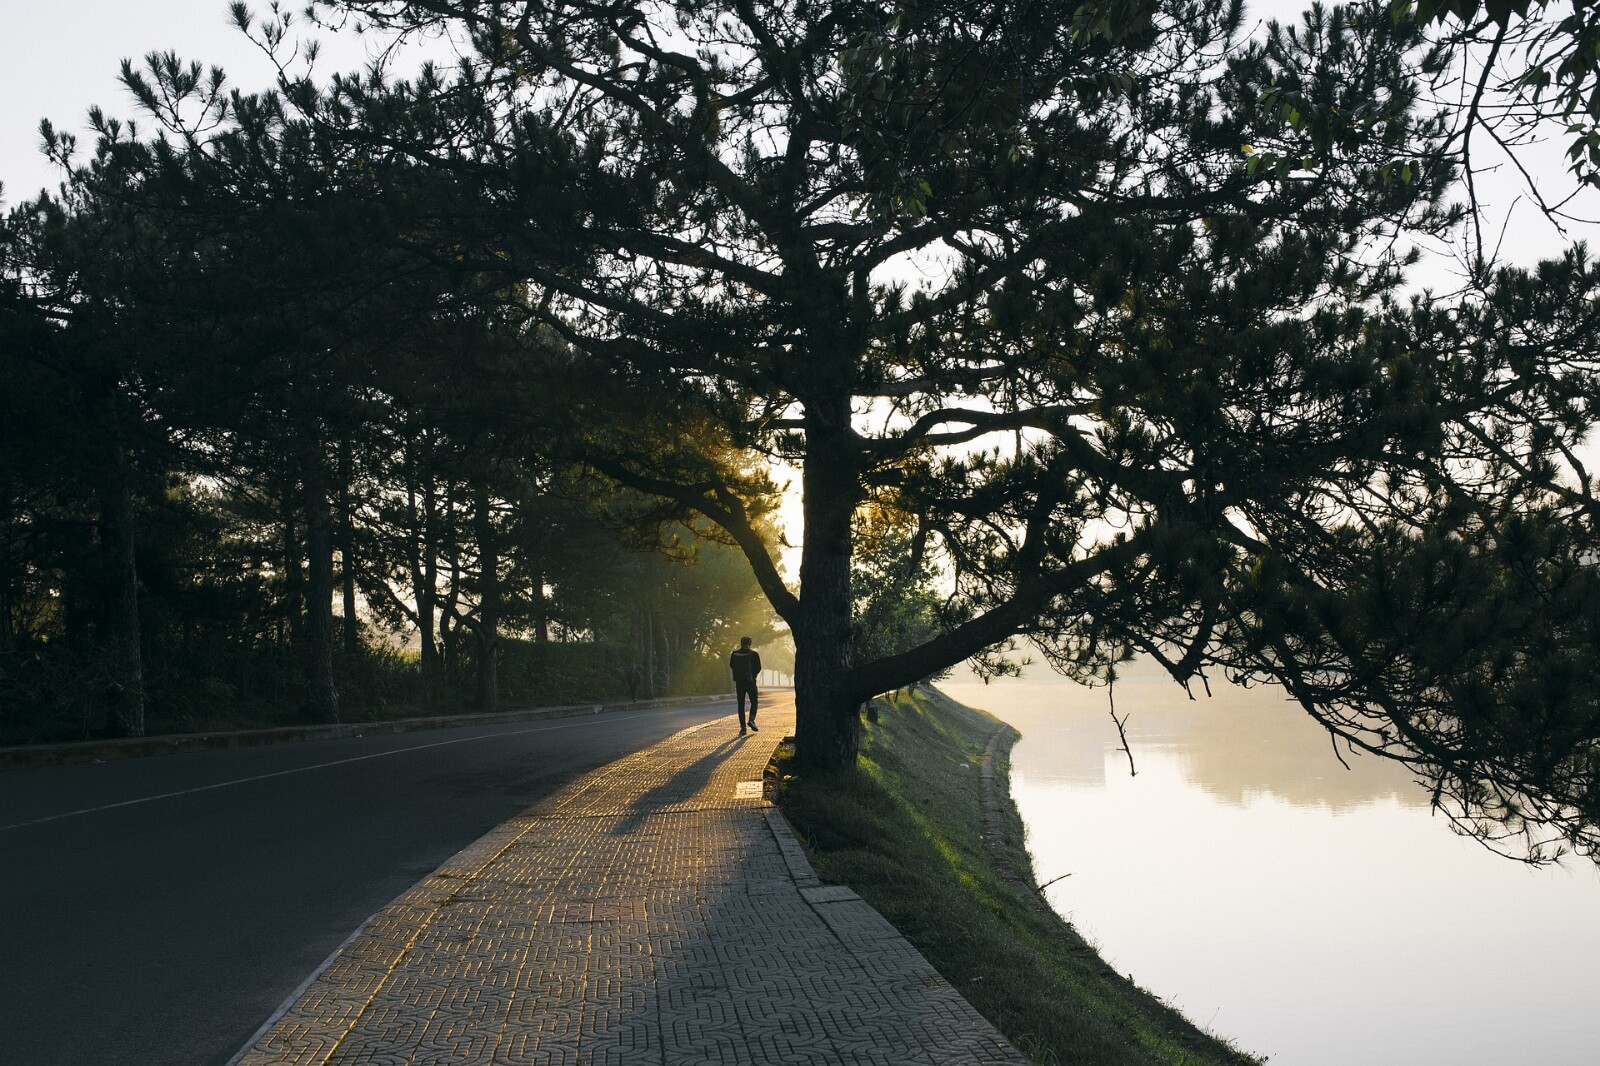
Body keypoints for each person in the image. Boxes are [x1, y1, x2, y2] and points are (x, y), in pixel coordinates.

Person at [728, 636, 761, 734]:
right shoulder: (754, 654)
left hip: (739, 682)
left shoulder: (734, 654)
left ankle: (743, 728)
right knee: (754, 701)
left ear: (741, 643)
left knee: (741, 704)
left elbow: (732, 665)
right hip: (750, 682)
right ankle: (751, 720)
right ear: (750, 644)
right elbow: (758, 667)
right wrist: (753, 675)